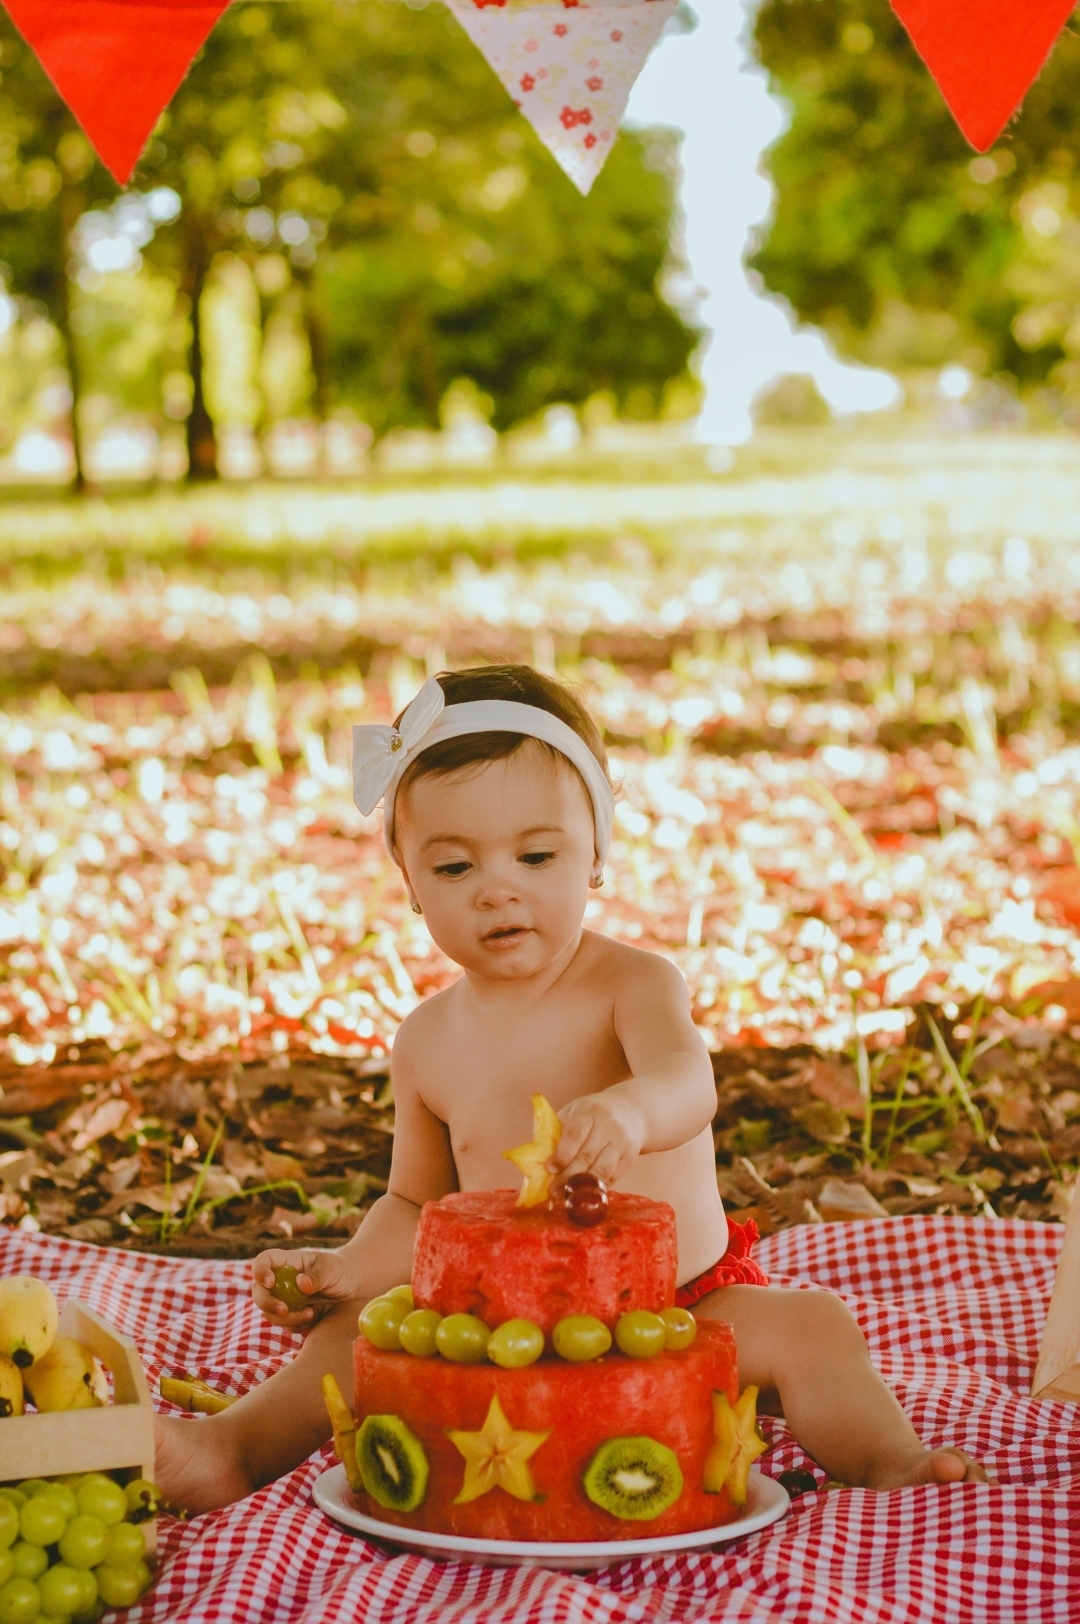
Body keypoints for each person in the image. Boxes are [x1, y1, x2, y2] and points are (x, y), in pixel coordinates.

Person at [156, 663, 987, 1512]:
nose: (498, 888)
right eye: (453, 869)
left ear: (595, 853)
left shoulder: (632, 984)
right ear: (407, 880)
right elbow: (415, 1206)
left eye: (536, 854)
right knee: (351, 1340)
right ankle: (229, 1451)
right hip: (497, 1333)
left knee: (815, 1326)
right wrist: (343, 1268)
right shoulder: (427, 1042)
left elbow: (687, 1082)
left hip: (681, 1312)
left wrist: (630, 1109)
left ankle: (891, 1466)